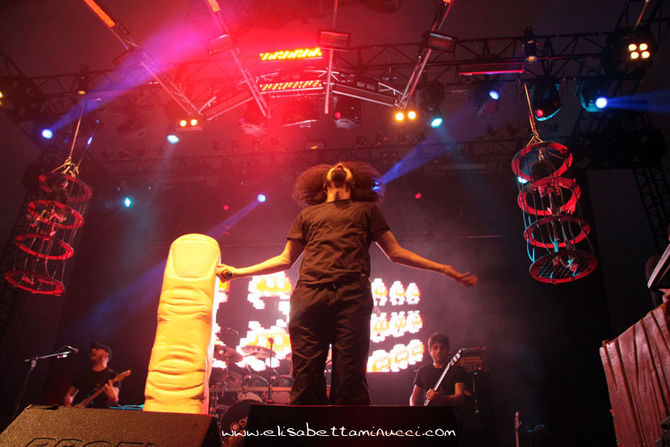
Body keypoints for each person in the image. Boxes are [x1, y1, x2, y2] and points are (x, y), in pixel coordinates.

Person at [217, 161, 477, 405]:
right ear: (324, 185)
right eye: (334, 166)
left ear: (353, 183)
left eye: (345, 167)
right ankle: (308, 433)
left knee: (350, 379)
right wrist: (239, 272)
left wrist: (443, 268)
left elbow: (396, 252)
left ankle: (346, 432)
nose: (340, 165)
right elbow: (285, 259)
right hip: (309, 296)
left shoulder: (366, 210)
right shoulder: (308, 214)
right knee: (306, 378)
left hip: (352, 297)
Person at [409, 332, 466, 406]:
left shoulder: (458, 370)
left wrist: (442, 398)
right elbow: (414, 397)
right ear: (430, 351)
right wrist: (412, 409)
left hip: (451, 412)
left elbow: (459, 397)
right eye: (435, 347)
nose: (439, 351)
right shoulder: (423, 371)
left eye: (442, 348)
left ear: (448, 350)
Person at [63, 342, 120, 408]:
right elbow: (70, 395)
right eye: (93, 349)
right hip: (79, 412)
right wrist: (68, 405)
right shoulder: (83, 373)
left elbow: (114, 401)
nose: (92, 350)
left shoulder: (113, 375)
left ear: (106, 354)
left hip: (100, 413)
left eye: (97, 349)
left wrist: (113, 398)